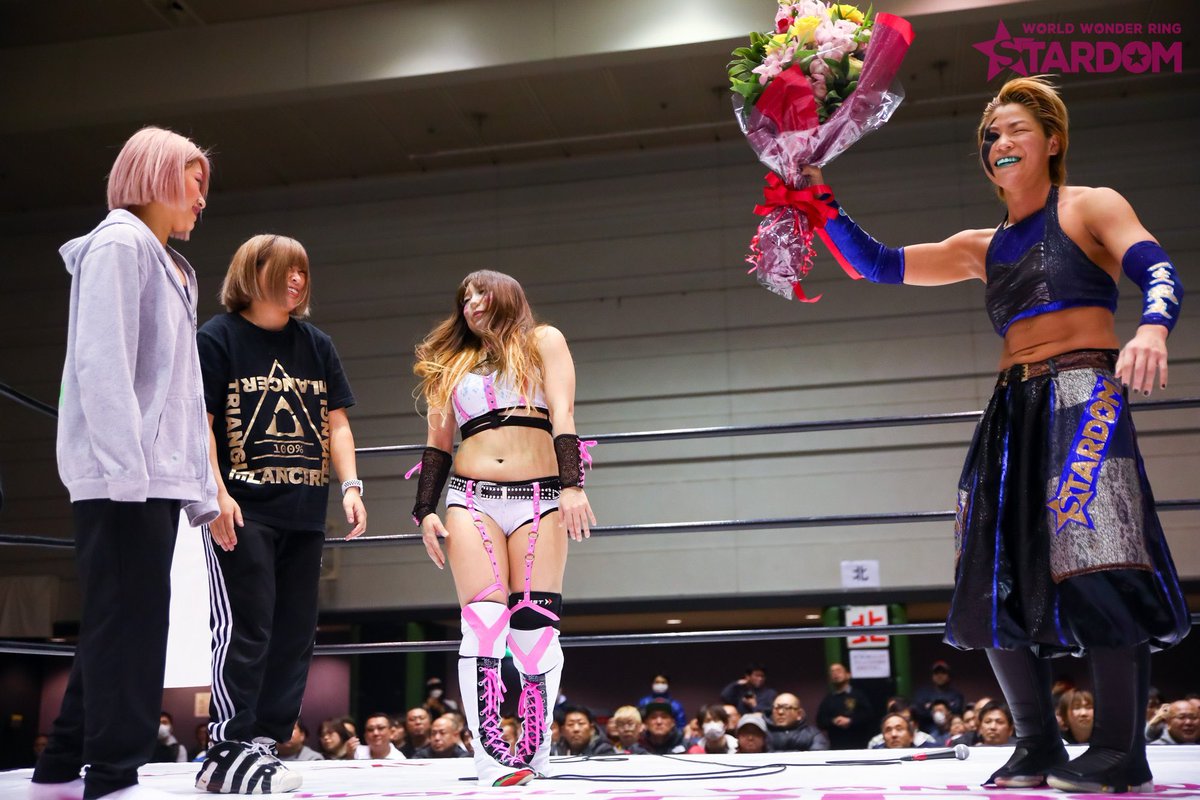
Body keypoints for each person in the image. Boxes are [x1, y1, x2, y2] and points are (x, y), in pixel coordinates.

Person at [807, 75, 1189, 793]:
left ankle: (1120, 751)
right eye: (990, 134)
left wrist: (1154, 327)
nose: (1000, 142)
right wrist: (814, 191)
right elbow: (875, 264)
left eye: (1016, 129)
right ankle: (1037, 745)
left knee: (1100, 553)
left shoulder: (1091, 206)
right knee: (989, 571)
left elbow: (1157, 265)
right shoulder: (979, 246)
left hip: (1084, 393)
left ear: (1052, 140)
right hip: (1010, 409)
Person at [31, 126, 219, 800]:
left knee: (121, 616)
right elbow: (102, 363)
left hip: (148, 473)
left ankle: (64, 758)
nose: (203, 199)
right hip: (124, 476)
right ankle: (113, 771)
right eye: (195, 183)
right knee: (132, 622)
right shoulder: (119, 244)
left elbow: (182, 387)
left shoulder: (167, 263)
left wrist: (195, 486)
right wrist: (125, 471)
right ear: (159, 176)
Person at [194, 233, 365, 793]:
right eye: (286, 269)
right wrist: (216, 492)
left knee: (294, 634)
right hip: (242, 511)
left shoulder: (316, 344)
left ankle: (262, 744)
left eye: (303, 271)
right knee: (247, 627)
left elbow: (337, 424)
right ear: (252, 272)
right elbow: (202, 425)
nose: (297, 280)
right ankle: (226, 748)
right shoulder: (217, 338)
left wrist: (351, 485)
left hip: (305, 512)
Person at [412, 270, 596, 786]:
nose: (471, 302)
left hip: (541, 498)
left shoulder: (544, 341)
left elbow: (564, 414)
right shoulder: (451, 361)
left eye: (481, 293)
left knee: (534, 631)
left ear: (508, 297)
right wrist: (424, 509)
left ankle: (535, 747)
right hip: (471, 498)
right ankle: (491, 755)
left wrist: (572, 485)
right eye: (464, 296)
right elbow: (437, 443)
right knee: (484, 623)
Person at [815, 663, 875, 750]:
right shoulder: (828, 699)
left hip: (860, 745)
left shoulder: (858, 695)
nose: (835, 674)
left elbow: (869, 715)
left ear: (848, 675)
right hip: (837, 747)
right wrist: (833, 721)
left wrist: (850, 720)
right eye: (832, 672)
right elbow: (820, 721)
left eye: (838, 671)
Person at [912, 661, 965, 727]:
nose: (940, 676)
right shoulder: (923, 694)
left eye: (943, 672)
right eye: (936, 673)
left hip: (949, 728)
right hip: (928, 729)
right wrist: (933, 714)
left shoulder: (956, 695)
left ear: (949, 676)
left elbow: (957, 713)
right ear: (932, 676)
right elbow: (919, 713)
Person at [551, 707, 615, 757]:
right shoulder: (554, 751)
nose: (576, 729)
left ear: (591, 729)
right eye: (570, 724)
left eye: (581, 723)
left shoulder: (604, 750)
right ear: (563, 730)